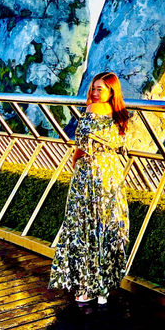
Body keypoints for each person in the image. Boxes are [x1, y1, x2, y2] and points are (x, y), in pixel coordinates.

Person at [48, 71, 130, 305]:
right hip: (112, 174)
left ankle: (86, 288)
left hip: (90, 173)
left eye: (100, 89)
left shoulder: (92, 111)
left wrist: (75, 164)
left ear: (111, 91)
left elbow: (81, 144)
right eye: (93, 88)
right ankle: (103, 287)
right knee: (107, 225)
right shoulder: (120, 115)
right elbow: (121, 145)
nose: (94, 93)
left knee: (85, 228)